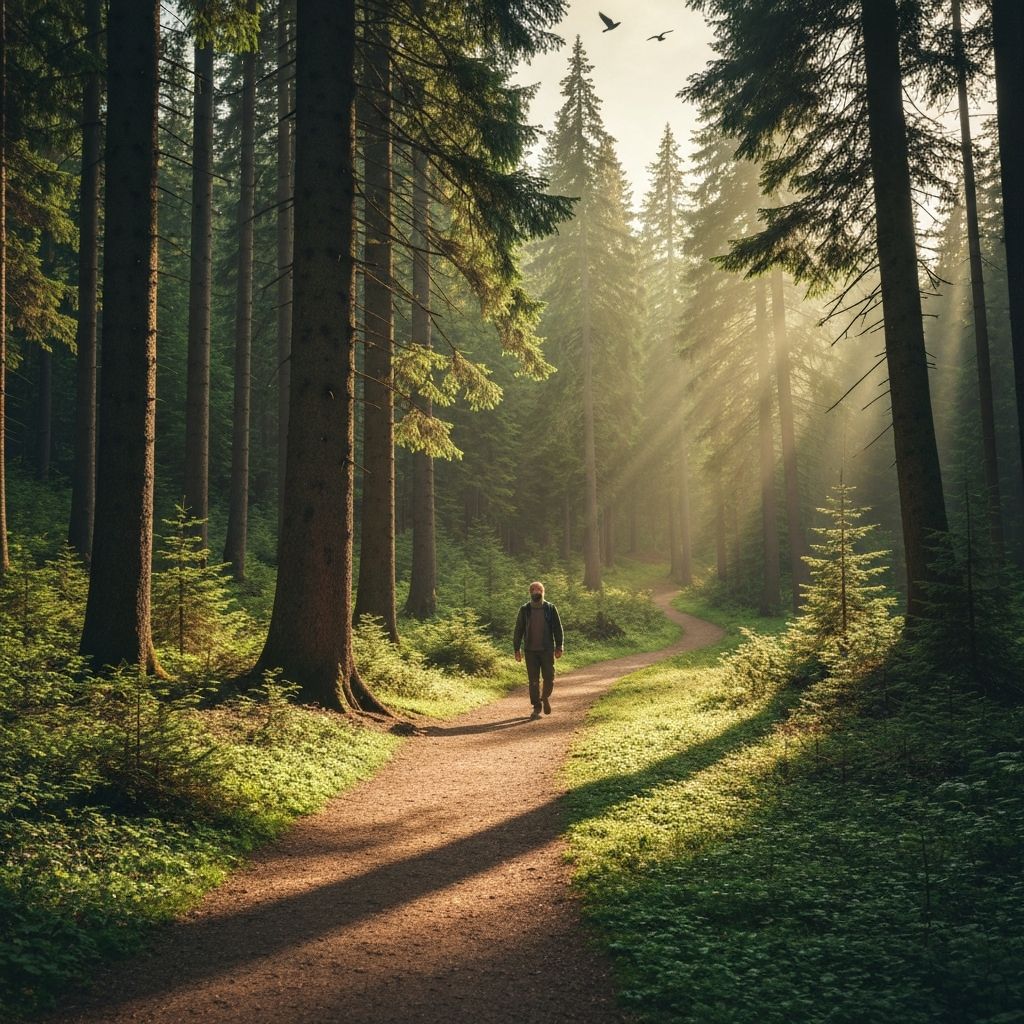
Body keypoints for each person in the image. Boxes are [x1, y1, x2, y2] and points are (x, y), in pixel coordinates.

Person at [513, 581, 564, 718]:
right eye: (534, 590)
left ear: (543, 592)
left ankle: (545, 697)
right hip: (530, 651)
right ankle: (536, 707)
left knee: (549, 677)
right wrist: (516, 649)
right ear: (530, 593)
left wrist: (559, 646)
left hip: (547, 650)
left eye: (539, 589)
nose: (536, 592)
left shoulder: (550, 608)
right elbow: (518, 629)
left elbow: (557, 628)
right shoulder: (525, 609)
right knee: (533, 680)